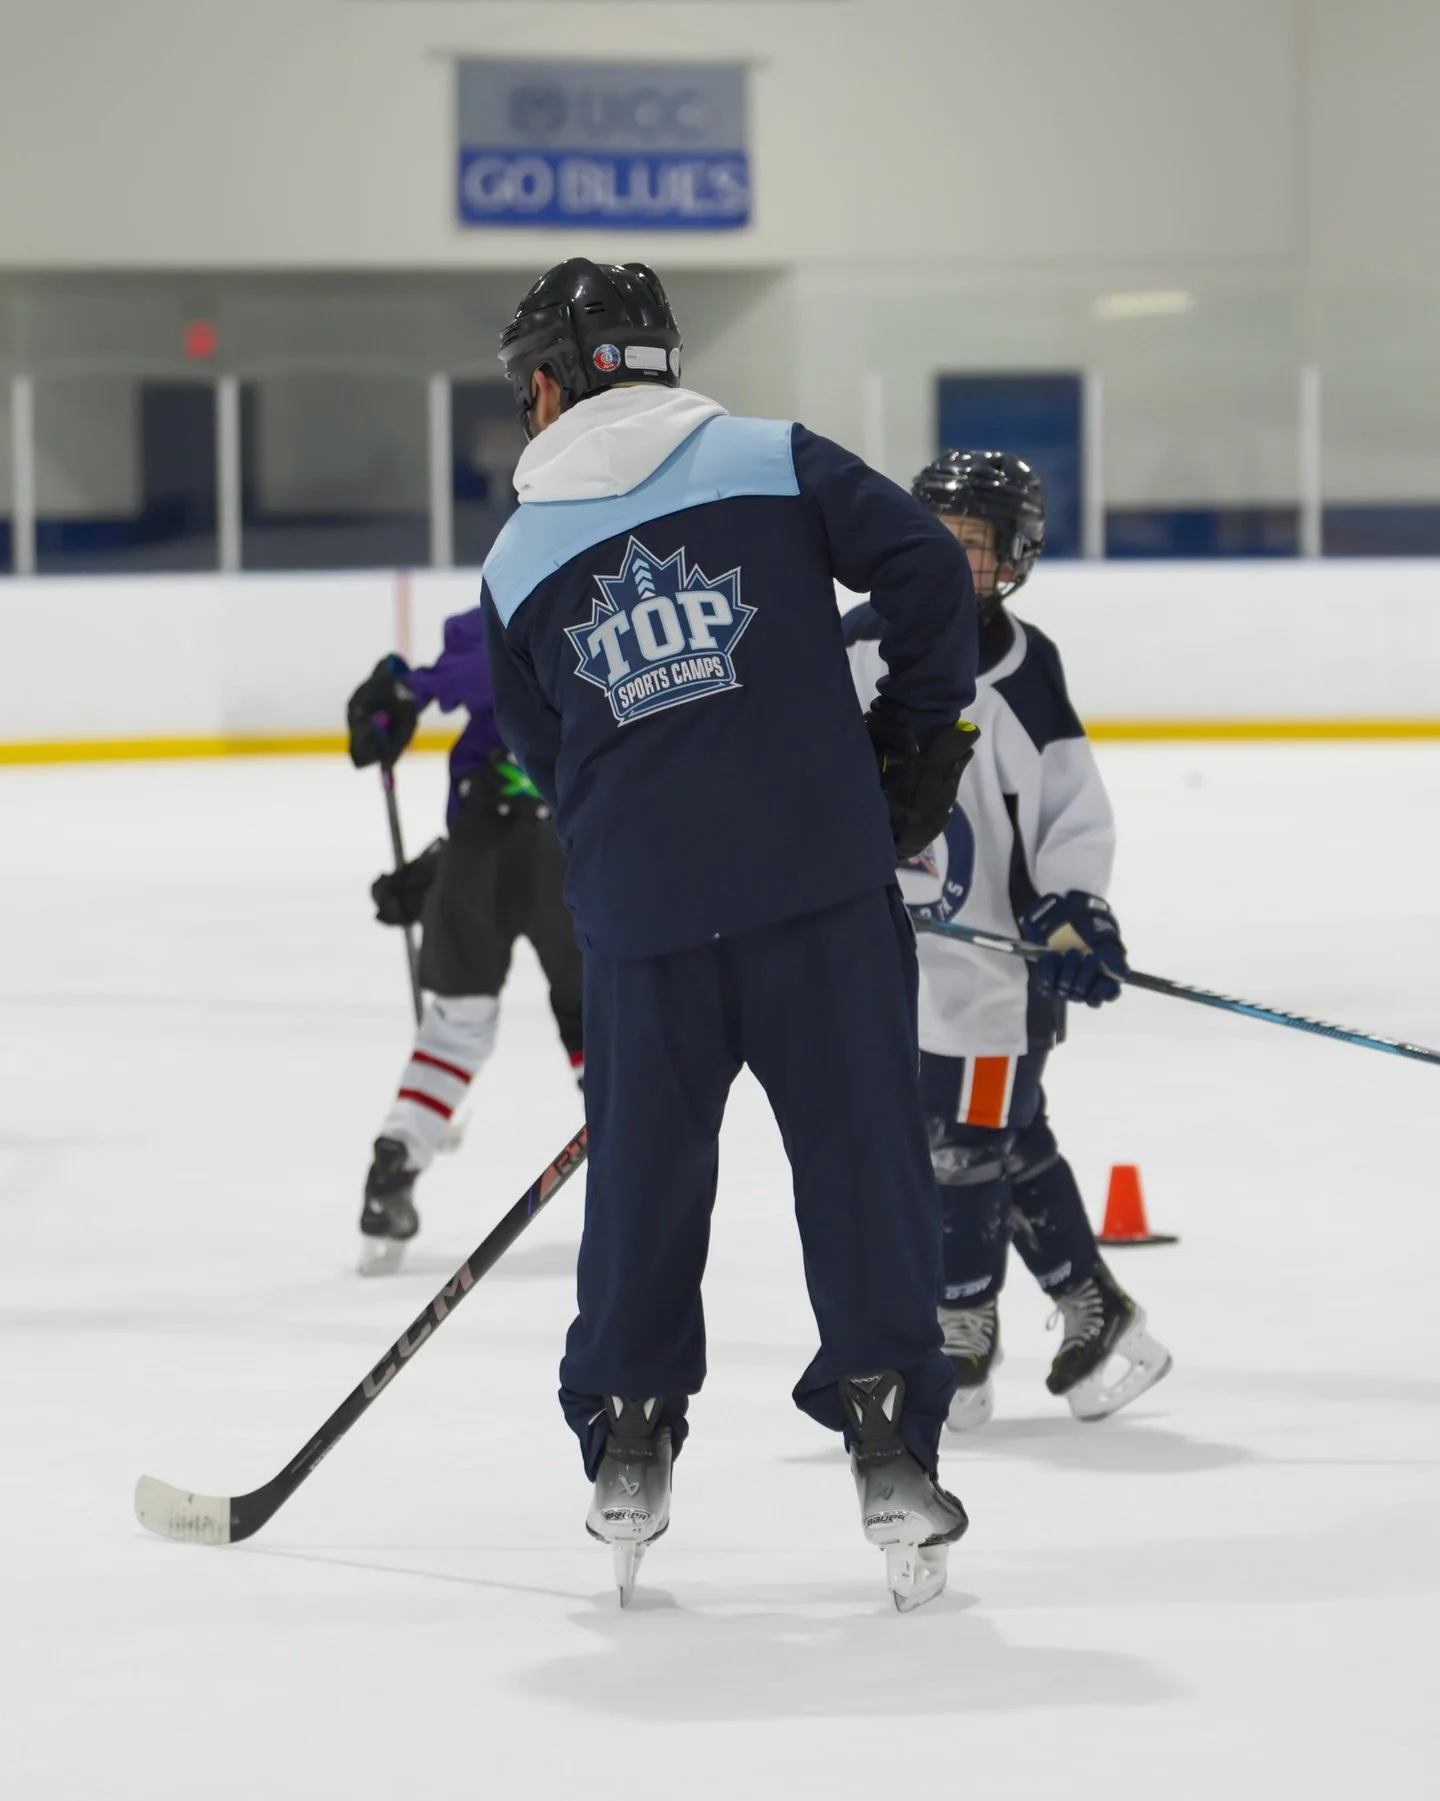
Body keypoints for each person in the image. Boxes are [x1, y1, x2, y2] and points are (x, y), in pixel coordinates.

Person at [479, 257, 980, 1610]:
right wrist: (917, 743)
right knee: (863, 1165)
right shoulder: (771, 456)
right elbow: (930, 572)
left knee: (646, 1179)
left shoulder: (516, 559)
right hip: (819, 891)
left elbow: (548, 756)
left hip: (644, 927)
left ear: (546, 382)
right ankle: (888, 1437)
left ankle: (629, 1429)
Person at [845, 451, 1171, 1429]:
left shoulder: (1026, 676)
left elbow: (1073, 817)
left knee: (962, 1146)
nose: (951, 562)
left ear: (1017, 556)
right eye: (935, 538)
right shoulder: (855, 646)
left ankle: (960, 1332)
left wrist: (1075, 910)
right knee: (997, 1135)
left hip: (994, 976)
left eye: (974, 546)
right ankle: (1097, 1310)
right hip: (888, 960)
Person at [345, 609, 584, 1276]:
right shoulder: (584, 601)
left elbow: (474, 670)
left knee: (454, 1027)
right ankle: (632, 1166)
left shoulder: (497, 609)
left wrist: (407, 688)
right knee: (597, 1014)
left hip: (480, 843)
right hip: (566, 840)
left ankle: (396, 1158)